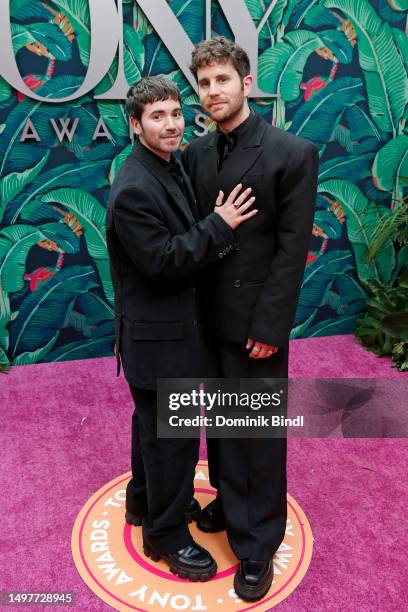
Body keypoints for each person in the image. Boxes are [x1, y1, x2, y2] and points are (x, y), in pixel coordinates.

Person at [182, 37, 319, 600]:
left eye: (222, 80)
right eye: (204, 83)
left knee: (256, 433)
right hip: (204, 320)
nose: (213, 91)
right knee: (221, 421)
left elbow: (292, 252)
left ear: (244, 81)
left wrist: (270, 327)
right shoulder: (193, 154)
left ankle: (258, 541)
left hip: (256, 324)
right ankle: (227, 501)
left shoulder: (293, 152)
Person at [106, 75, 257, 582]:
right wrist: (221, 223)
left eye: (174, 113)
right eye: (157, 116)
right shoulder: (133, 188)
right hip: (159, 341)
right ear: (135, 124)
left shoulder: (166, 166)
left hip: (165, 336)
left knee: (150, 429)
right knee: (172, 440)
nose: (170, 124)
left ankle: (141, 502)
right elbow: (164, 261)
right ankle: (165, 535)